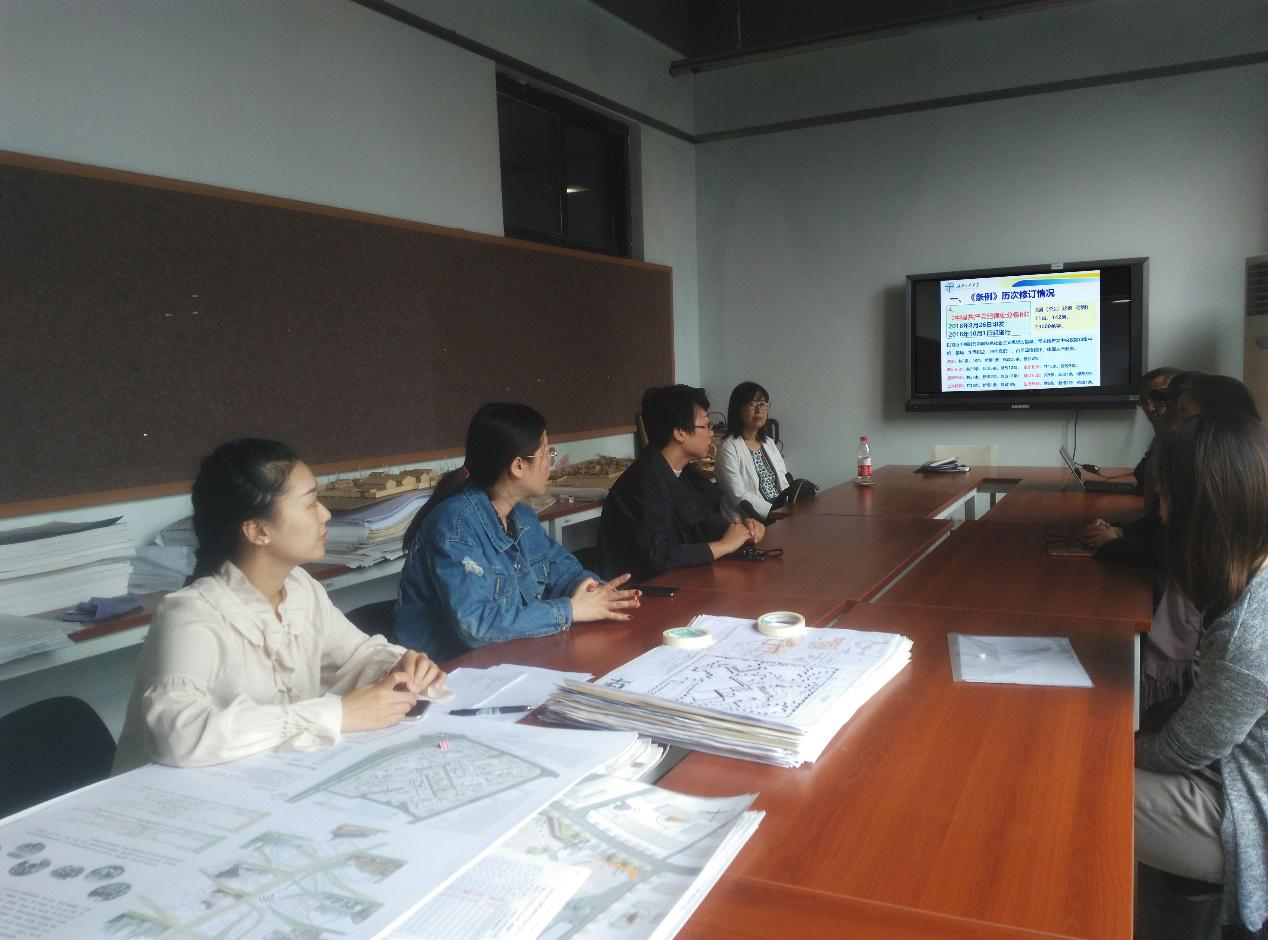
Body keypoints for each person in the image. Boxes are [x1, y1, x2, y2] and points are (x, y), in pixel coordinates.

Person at [113, 439, 447, 774]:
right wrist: (338, 715)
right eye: (311, 503)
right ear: (258, 530)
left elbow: (354, 656)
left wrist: (399, 666)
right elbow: (177, 733)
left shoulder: (300, 589)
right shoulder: (191, 615)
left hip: (262, 781)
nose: (325, 514)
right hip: (164, 798)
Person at [1135, 412, 1268, 933]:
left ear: (1203, 510)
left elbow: (1182, 751)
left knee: (1074, 784)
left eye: (1167, 499)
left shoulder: (1247, 632)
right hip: (1228, 768)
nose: (1161, 514)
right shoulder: (1251, 571)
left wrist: (1113, 744)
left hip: (1244, 810)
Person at [395, 403, 638, 661]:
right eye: (546, 453)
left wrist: (596, 593)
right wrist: (571, 610)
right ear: (518, 466)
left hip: (512, 659)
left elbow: (564, 571)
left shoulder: (521, 516)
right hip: (448, 670)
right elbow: (477, 625)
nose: (551, 462)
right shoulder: (455, 525)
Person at [599, 384, 763, 582]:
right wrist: (724, 545)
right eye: (706, 426)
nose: (711, 433)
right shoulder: (640, 484)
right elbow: (660, 556)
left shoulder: (683, 473)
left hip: (684, 581)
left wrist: (743, 531)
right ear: (679, 433)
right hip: (644, 590)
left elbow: (704, 525)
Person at [715, 381, 791, 522]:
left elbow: (783, 480)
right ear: (737, 409)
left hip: (781, 512)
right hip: (751, 519)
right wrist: (776, 513)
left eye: (763, 404)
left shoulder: (768, 443)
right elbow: (739, 495)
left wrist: (790, 506)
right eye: (752, 404)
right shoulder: (728, 448)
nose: (759, 409)